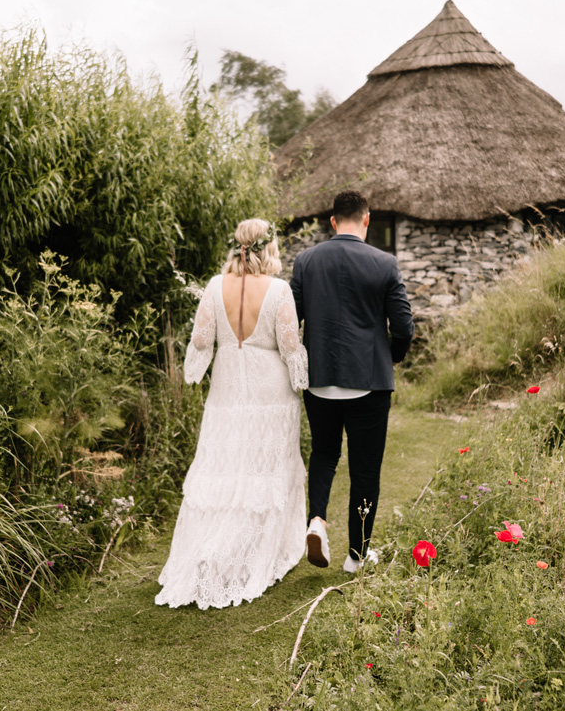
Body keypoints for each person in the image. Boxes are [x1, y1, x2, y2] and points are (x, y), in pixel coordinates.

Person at [155, 219, 309, 609]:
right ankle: (250, 551)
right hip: (270, 393)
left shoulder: (213, 286)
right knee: (264, 470)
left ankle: (211, 549)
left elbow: (202, 341)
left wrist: (197, 366)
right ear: (268, 249)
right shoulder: (279, 290)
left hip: (226, 390)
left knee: (225, 468)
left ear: (236, 248)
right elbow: (291, 347)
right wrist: (301, 378)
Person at [291, 191, 414, 573]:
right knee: (365, 468)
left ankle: (316, 522)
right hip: (369, 382)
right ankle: (356, 557)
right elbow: (405, 326)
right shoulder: (384, 263)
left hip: (320, 378)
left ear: (331, 222)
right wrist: (390, 356)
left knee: (324, 454)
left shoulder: (306, 261)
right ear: (366, 219)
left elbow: (289, 320)